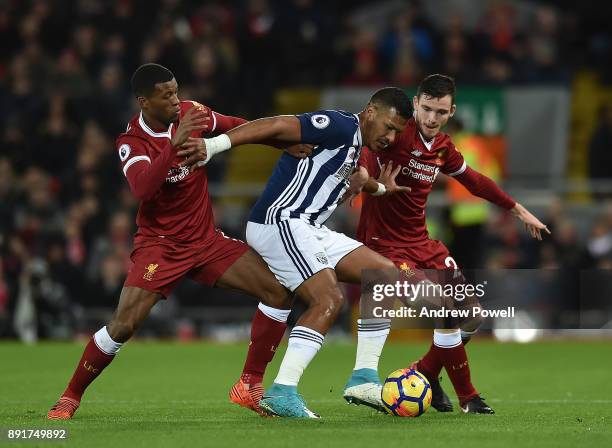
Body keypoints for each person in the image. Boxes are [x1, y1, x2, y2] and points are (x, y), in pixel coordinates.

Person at [47, 63, 308, 420]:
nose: (175, 99)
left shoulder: (190, 113)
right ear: (144, 102)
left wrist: (284, 143)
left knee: (279, 292)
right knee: (123, 326)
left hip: (205, 241)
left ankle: (249, 384)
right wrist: (175, 143)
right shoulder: (131, 142)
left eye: (175, 90)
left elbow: (238, 126)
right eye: (165, 94)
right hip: (161, 246)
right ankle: (70, 396)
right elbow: (142, 187)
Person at [180, 87, 412, 418]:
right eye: (389, 127)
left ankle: (363, 378)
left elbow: (358, 177)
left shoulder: (356, 148)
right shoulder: (340, 125)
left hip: (311, 229)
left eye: (397, 133)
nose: (391, 137)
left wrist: (379, 188)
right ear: (371, 112)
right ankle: (283, 391)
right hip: (281, 220)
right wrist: (214, 145)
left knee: (386, 275)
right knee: (328, 300)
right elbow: (276, 125)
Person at [343, 74, 550, 414]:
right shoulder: (395, 134)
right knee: (445, 310)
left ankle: (426, 372)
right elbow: (364, 160)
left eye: (440, 111)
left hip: (422, 244)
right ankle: (468, 397)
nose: (431, 118)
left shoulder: (443, 147)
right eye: (426, 109)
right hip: (387, 248)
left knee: (473, 316)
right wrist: (366, 181)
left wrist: (518, 210)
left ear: (451, 111)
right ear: (415, 105)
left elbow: (476, 182)